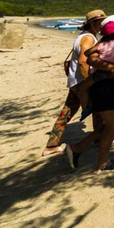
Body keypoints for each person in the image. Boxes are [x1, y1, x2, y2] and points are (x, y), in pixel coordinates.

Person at [66, 17, 114, 173]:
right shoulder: (101, 45)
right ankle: (102, 164)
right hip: (106, 89)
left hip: (113, 88)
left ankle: (78, 147)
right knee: (112, 126)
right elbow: (91, 60)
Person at [41, 9, 106, 157]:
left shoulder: (83, 36)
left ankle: (51, 145)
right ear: (94, 23)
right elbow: (83, 62)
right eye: (101, 22)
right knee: (99, 111)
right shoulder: (88, 38)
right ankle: (98, 140)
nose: (103, 25)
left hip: (75, 81)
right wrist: (89, 84)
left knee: (67, 112)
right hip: (82, 82)